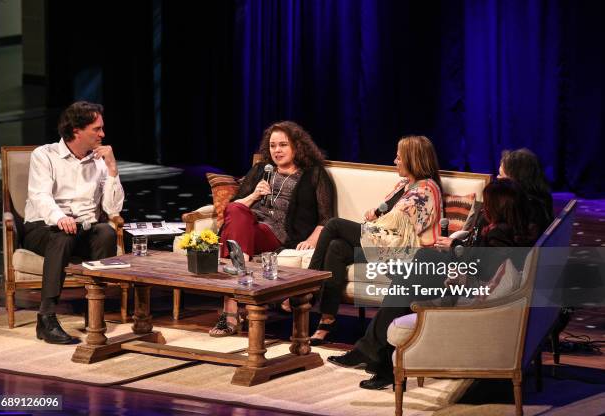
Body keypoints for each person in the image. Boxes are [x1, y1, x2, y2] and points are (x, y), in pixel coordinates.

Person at [328, 178, 540, 390]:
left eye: (488, 203)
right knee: (410, 276)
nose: (484, 207)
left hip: (462, 282)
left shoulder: (499, 232)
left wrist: (457, 248)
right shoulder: (500, 226)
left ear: (500, 207)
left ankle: (375, 355)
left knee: (416, 267)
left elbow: (484, 268)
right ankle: (378, 357)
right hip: (458, 273)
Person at [308, 135, 443, 345]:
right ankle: (327, 319)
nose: (395, 161)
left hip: (404, 253)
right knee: (336, 247)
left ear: (412, 159)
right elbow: (386, 215)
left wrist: (374, 222)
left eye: (399, 158)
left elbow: (400, 227)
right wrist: (375, 214)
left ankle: (308, 285)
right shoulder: (403, 185)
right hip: (384, 246)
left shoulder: (426, 190)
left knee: (334, 225)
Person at [210, 121, 334, 336]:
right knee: (237, 213)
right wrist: (255, 195)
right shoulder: (260, 170)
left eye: (283, 145)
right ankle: (238, 286)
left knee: (236, 223)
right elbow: (234, 207)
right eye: (273, 146)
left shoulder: (314, 174)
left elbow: (326, 217)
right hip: (251, 226)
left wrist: (313, 239)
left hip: (279, 234)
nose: (277, 151)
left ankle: (230, 312)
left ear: (297, 146)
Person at [23, 101, 124, 344]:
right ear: (76, 130)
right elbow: (40, 196)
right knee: (63, 234)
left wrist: (112, 168)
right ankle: (46, 318)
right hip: (43, 227)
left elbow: (113, 209)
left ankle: (94, 312)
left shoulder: (100, 161)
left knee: (106, 233)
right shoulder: (45, 155)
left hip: (84, 229)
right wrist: (60, 218)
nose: (102, 134)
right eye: (96, 129)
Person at [498, 148, 553, 231]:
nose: (497, 178)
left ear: (516, 179)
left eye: (501, 175)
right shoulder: (541, 200)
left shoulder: (524, 210)